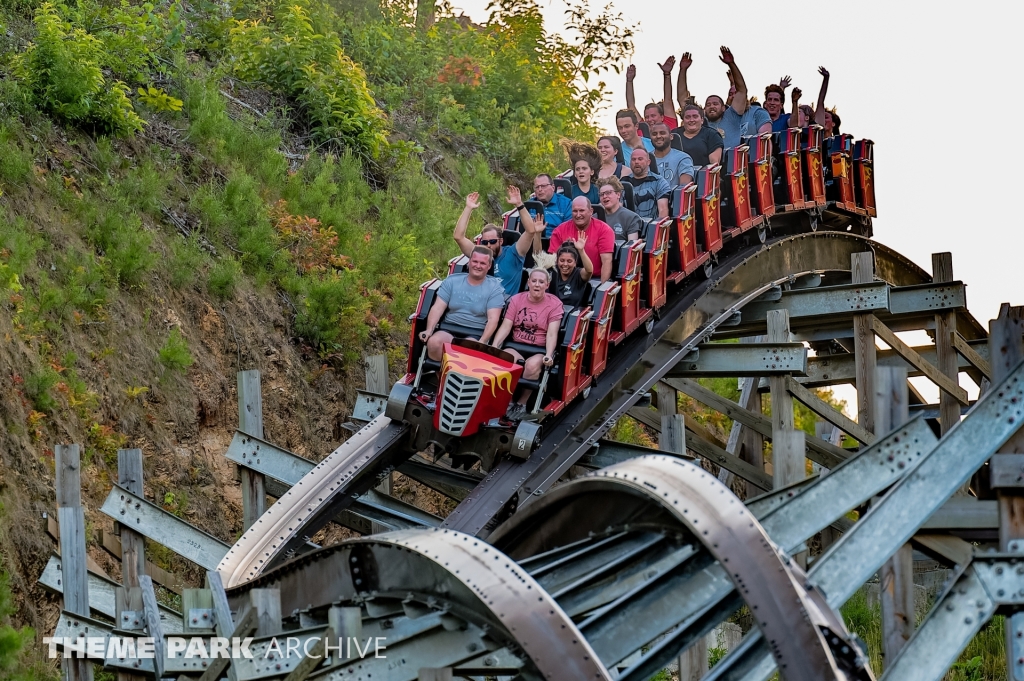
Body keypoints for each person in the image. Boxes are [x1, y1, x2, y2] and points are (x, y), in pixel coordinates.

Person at [491, 268, 564, 420]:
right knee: (506, 360)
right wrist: (495, 346)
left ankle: (521, 403)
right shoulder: (517, 299)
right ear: (528, 282)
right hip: (517, 344)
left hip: (538, 348)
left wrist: (549, 355)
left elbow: (552, 333)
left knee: (531, 366)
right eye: (534, 281)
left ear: (547, 285)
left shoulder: (555, 304)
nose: (537, 285)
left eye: (541, 282)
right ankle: (508, 401)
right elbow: (506, 325)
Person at [418, 247, 505, 361]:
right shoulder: (452, 281)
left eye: (482, 263)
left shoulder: (494, 288)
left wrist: (483, 342)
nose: (478, 266)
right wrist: (429, 330)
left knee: (467, 351)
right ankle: (441, 377)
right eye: (475, 261)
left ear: (489, 266)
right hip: (449, 327)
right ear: (469, 262)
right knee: (434, 343)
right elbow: (437, 308)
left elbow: (493, 319)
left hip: (475, 333)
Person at [453, 186, 540, 296]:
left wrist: (519, 205)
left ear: (501, 241)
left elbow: (530, 231)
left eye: (493, 241)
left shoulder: (514, 253)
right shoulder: (480, 254)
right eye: (485, 242)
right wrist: (468, 208)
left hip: (504, 306)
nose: (488, 245)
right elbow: (458, 237)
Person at [704, 47, 772, 148]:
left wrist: (731, 64)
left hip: (736, 161)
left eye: (715, 104)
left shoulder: (732, 116)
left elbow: (742, 90)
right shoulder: (701, 122)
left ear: (724, 108)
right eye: (708, 104)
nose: (711, 106)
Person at [548, 197, 616, 283]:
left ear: (591, 211)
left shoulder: (604, 230)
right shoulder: (559, 230)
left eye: (581, 210)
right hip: (565, 278)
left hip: (594, 280)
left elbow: (607, 261)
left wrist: (602, 290)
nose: (578, 215)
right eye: (575, 211)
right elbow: (553, 261)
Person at [625, 57, 679, 130]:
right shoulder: (643, 129)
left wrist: (667, 74)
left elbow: (668, 99)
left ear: (662, 117)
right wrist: (629, 81)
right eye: (647, 117)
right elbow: (631, 105)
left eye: (653, 116)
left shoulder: (669, 124)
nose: (650, 119)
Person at [622, 148, 671, 220]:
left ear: (648, 162)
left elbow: (663, 210)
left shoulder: (659, 181)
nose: (636, 162)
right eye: (633, 159)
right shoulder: (623, 182)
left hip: (651, 227)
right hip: (627, 227)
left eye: (640, 159)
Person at [649, 122, 694, 187]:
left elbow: (684, 188)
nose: (658, 136)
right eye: (654, 134)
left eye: (662, 133)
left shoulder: (683, 158)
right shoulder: (645, 159)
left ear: (671, 137)